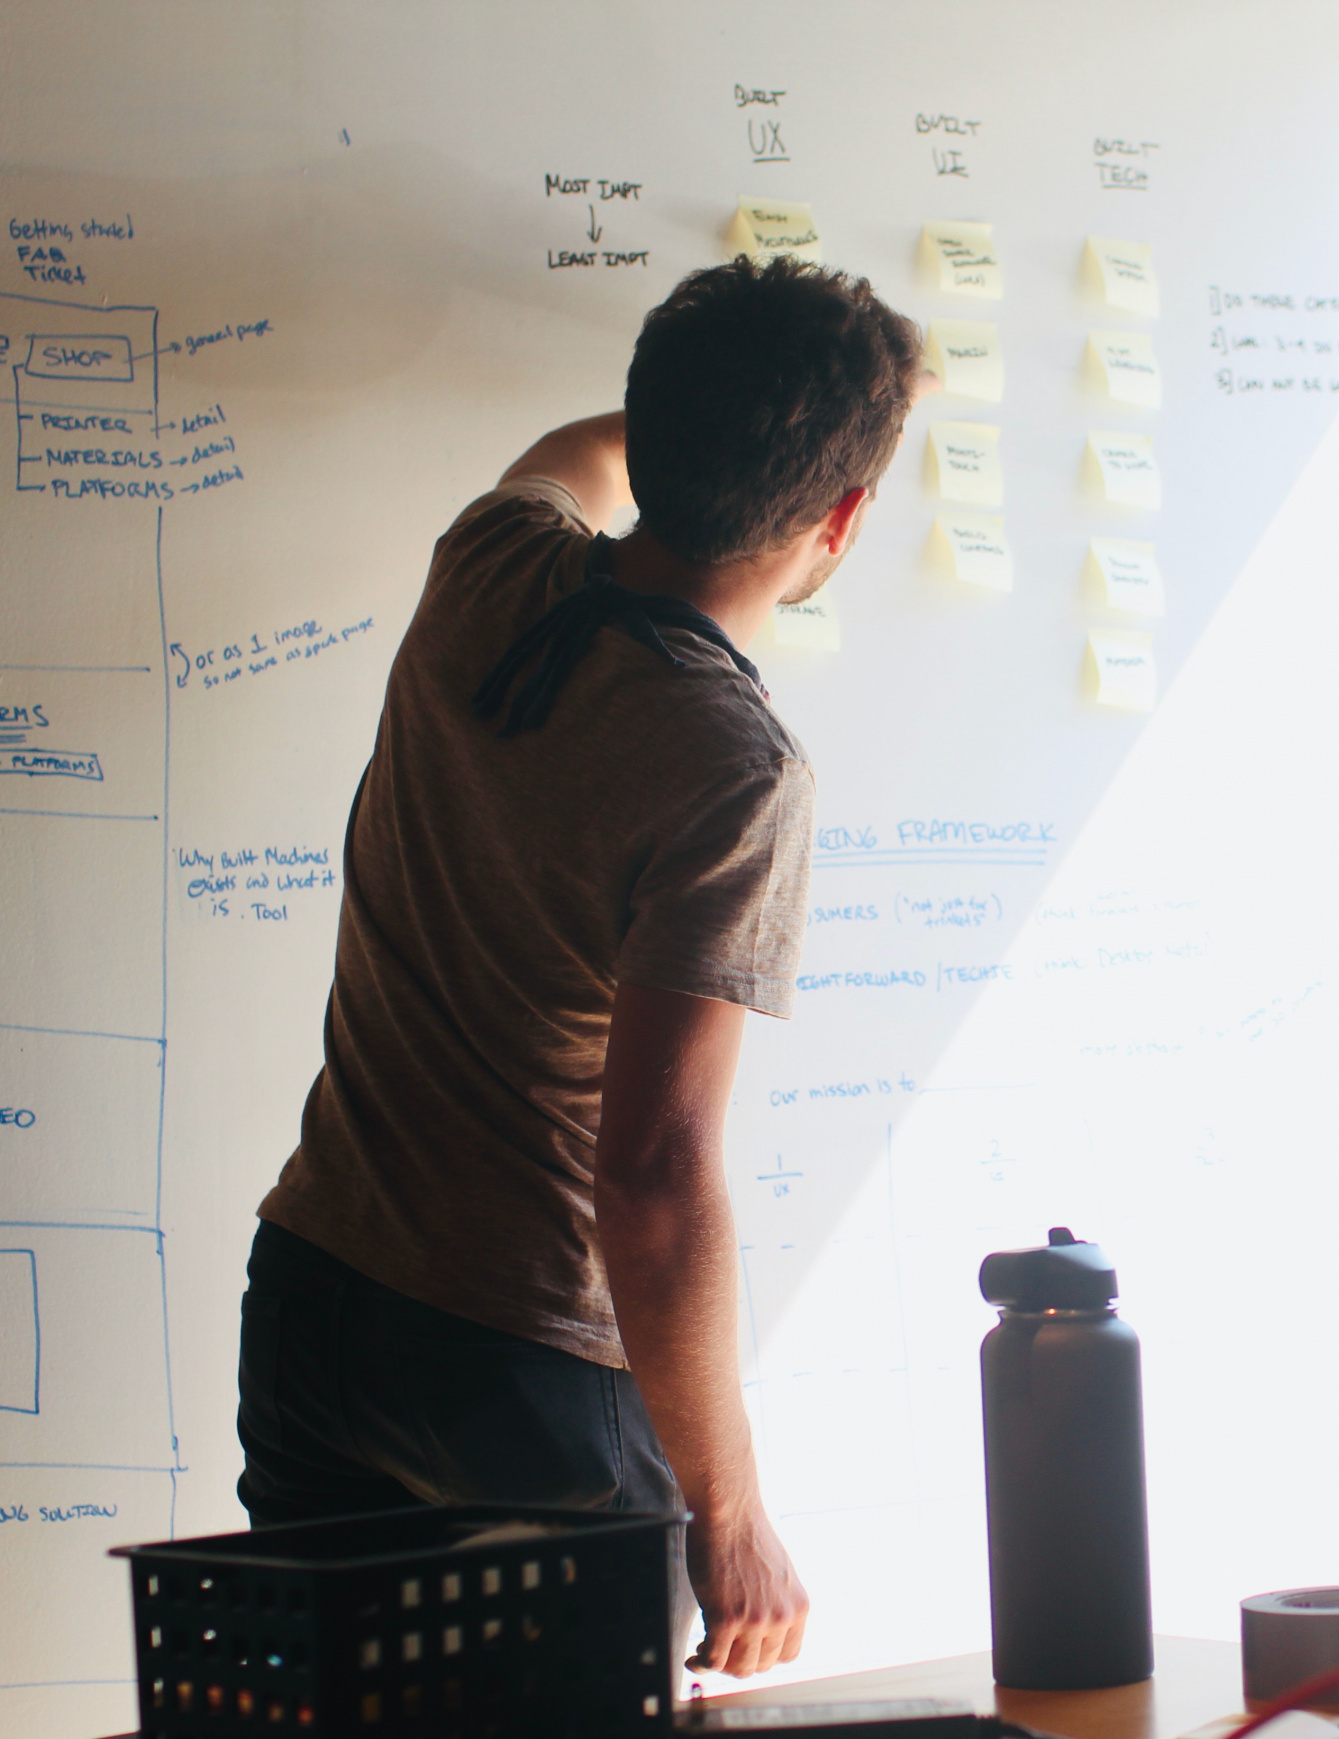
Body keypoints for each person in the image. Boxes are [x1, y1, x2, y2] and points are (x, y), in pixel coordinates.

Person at [237, 258, 927, 1678]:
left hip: (317, 1296)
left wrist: (674, 424)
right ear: (841, 520)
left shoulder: (489, 561)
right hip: (520, 1364)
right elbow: (658, 1172)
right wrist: (729, 1508)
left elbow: (575, 456)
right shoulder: (734, 770)